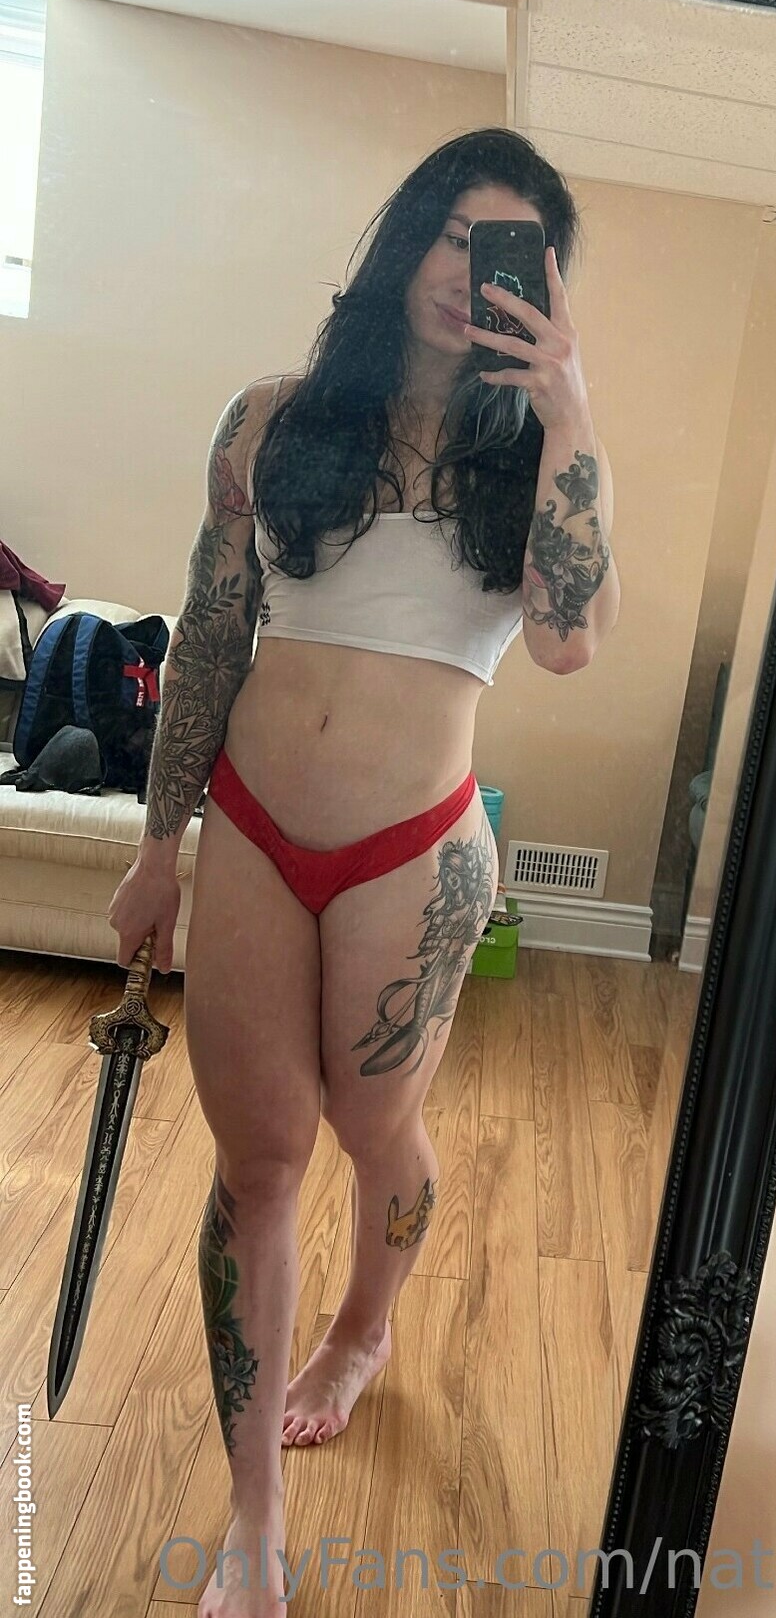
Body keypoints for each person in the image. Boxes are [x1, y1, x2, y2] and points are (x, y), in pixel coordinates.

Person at [106, 127, 619, 1618]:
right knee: (258, 1162)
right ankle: (254, 1520)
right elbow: (210, 635)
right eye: (457, 234)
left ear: (545, 288)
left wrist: (571, 410)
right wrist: (156, 846)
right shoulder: (272, 419)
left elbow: (570, 638)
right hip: (252, 831)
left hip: (416, 848)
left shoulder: (542, 460)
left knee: (373, 1126)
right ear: (409, 242)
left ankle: (363, 1330)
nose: (473, 272)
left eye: (510, 254)